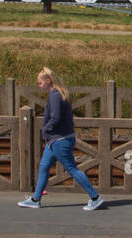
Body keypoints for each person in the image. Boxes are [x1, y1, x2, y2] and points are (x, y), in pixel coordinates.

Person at [18, 67, 104, 210]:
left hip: (59, 140)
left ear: (48, 81)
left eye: (40, 83)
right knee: (44, 167)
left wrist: (45, 129)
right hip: (57, 140)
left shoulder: (55, 95)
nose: (39, 86)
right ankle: (35, 199)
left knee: (72, 169)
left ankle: (95, 197)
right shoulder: (60, 94)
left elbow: (56, 118)